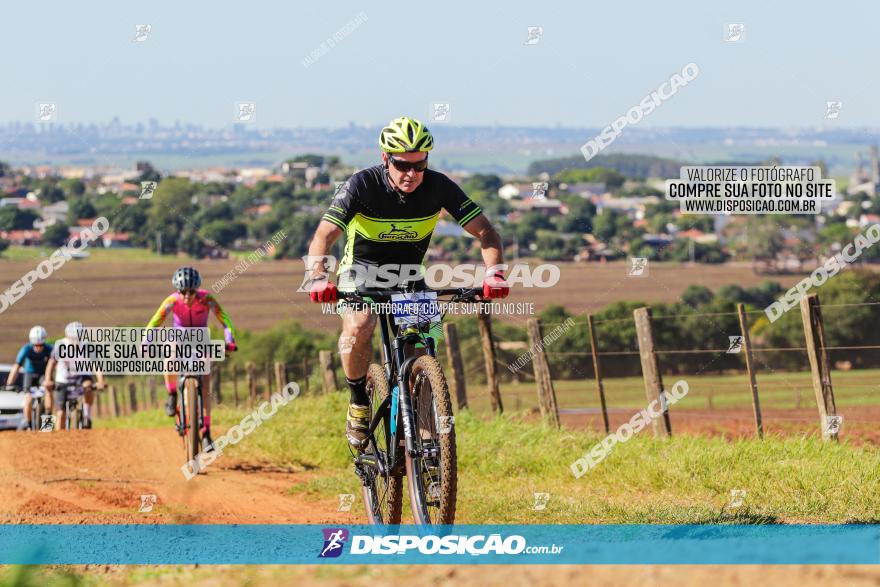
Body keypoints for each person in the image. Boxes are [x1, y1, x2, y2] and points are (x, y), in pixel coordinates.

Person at [305, 115, 509, 449]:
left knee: (422, 348)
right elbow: (323, 236)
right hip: (360, 271)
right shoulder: (362, 185)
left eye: (419, 165)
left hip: (409, 275)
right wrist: (316, 277)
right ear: (385, 158)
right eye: (402, 165)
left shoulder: (439, 186)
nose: (411, 174)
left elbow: (486, 232)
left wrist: (495, 273)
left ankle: (427, 443)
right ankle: (358, 401)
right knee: (360, 325)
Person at [146, 267, 238, 452]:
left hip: (201, 339)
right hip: (178, 337)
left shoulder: (207, 299)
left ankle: (207, 433)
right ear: (177, 291)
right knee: (170, 356)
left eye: (191, 292)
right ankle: (172, 394)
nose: (187, 296)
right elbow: (156, 321)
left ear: (197, 290)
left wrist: (229, 340)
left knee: (205, 385)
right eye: (183, 292)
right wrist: (146, 341)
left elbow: (225, 319)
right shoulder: (172, 300)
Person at [45, 321, 105, 430]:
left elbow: (96, 365)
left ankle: (87, 415)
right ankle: (54, 432)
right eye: (73, 338)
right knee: (60, 414)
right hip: (63, 379)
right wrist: (48, 379)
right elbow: (51, 364)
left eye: (78, 338)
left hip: (81, 376)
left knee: (88, 386)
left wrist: (100, 381)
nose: (76, 341)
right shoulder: (60, 345)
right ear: (68, 337)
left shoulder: (87, 346)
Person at [6, 326, 54, 430]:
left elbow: (56, 365)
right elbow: (16, 367)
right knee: (28, 398)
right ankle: (28, 424)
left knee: (48, 392)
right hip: (29, 375)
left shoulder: (50, 349)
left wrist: (52, 381)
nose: (38, 348)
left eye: (41, 345)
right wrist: (10, 383)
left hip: (43, 375)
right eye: (36, 345)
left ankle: (48, 421)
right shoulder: (26, 349)